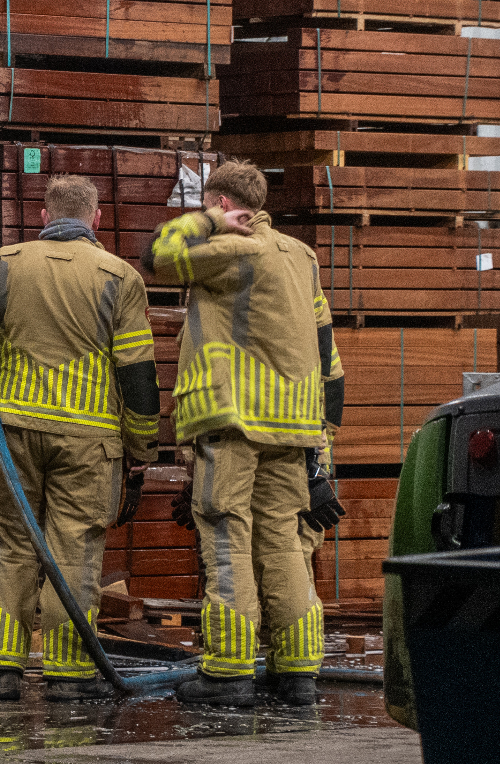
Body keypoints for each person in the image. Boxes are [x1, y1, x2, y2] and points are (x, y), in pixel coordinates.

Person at [144, 160, 345, 707]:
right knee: (282, 542)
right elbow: (329, 353)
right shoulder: (301, 257)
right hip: (295, 427)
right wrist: (323, 446)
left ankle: (230, 672)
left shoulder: (235, 248)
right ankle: (298, 672)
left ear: (226, 205)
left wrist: (208, 224)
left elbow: (158, 254)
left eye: (209, 205)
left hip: (234, 421)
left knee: (227, 536)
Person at [0, 174, 162, 702]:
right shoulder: (119, 276)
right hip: (88, 440)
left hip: (13, 432)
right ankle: (69, 674)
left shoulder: (6, 263)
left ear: (44, 218)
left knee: (10, 545)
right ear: (96, 220)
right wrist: (141, 451)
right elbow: (137, 372)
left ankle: (0, 670)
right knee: (76, 549)